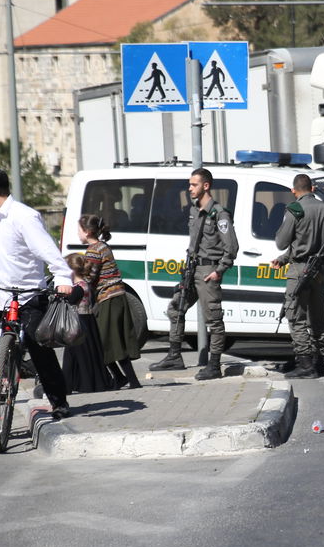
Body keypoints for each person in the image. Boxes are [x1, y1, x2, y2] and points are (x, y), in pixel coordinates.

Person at [0, 168, 75, 425]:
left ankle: (59, 402)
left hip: (27, 293)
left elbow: (48, 251)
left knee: (39, 347)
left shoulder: (25, 216)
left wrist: (63, 279)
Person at [149, 167, 238, 381]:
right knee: (175, 308)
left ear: (206, 186)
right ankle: (174, 356)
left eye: (193, 184)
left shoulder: (219, 214)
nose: (189, 188)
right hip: (192, 269)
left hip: (208, 271)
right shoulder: (194, 210)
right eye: (189, 184)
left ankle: (214, 365)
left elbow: (232, 247)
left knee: (213, 319)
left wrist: (219, 271)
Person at [273, 173, 324, 379]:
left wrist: (298, 246)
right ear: (312, 189)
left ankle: (305, 365)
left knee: (296, 318)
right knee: (319, 319)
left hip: (299, 271)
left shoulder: (295, 210)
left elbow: (281, 242)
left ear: (293, 191)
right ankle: (323, 363)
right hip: (319, 271)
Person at [76, 213, 142, 390]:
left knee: (104, 341)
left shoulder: (93, 250)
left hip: (108, 298)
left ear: (87, 232)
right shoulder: (103, 246)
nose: (77, 233)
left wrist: (74, 279)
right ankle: (123, 378)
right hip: (116, 296)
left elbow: (89, 278)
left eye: (79, 230)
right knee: (112, 340)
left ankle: (130, 380)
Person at [61, 251, 116, 394]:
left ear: (72, 270)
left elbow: (69, 302)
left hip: (78, 322)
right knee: (82, 355)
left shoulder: (78, 288)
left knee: (73, 356)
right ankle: (71, 384)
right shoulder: (85, 284)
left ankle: (72, 385)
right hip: (88, 321)